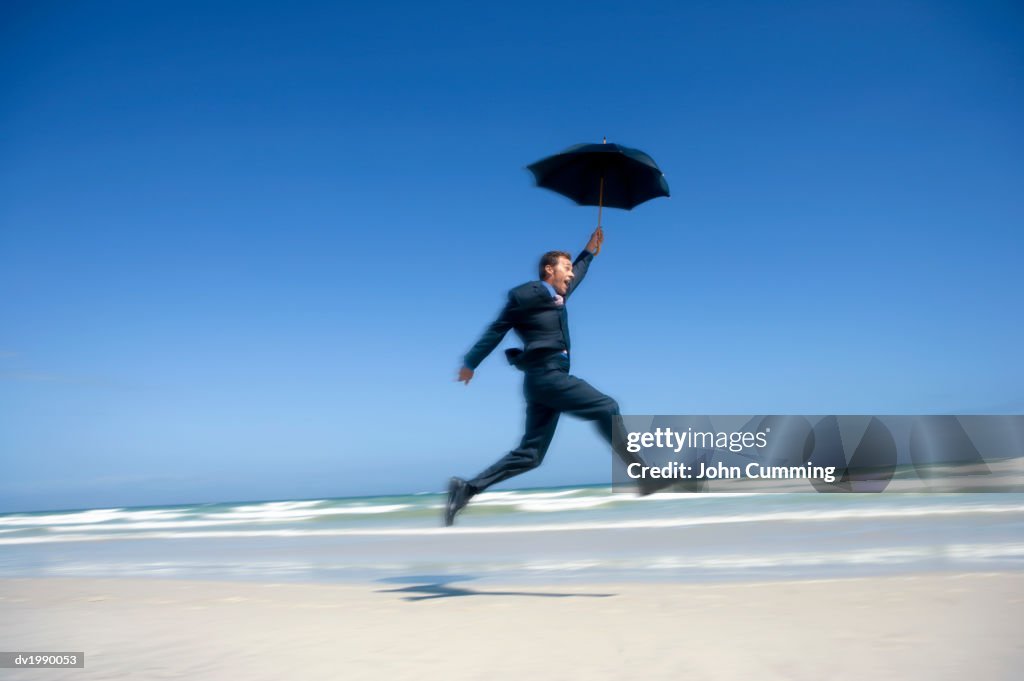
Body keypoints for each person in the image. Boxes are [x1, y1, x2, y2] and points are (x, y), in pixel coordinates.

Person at [445, 226, 657, 526]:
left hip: (543, 383)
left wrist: (589, 252)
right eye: (565, 269)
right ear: (549, 270)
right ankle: (644, 476)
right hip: (547, 375)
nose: (570, 275)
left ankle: (467, 488)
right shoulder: (526, 295)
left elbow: (578, 275)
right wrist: (471, 363)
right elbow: (497, 329)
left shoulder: (559, 298)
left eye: (571, 270)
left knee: (531, 455)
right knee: (607, 407)